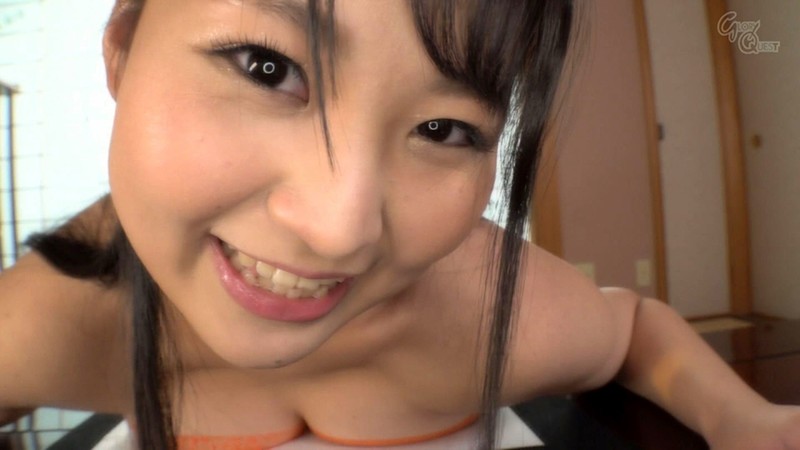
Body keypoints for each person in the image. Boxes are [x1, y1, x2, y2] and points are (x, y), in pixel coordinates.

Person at [1, 0, 799, 448]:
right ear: (122, 47)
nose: (340, 228)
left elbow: (631, 333)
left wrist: (742, 420)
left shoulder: (492, 313)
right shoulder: (41, 327)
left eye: (443, 129)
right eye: (266, 67)